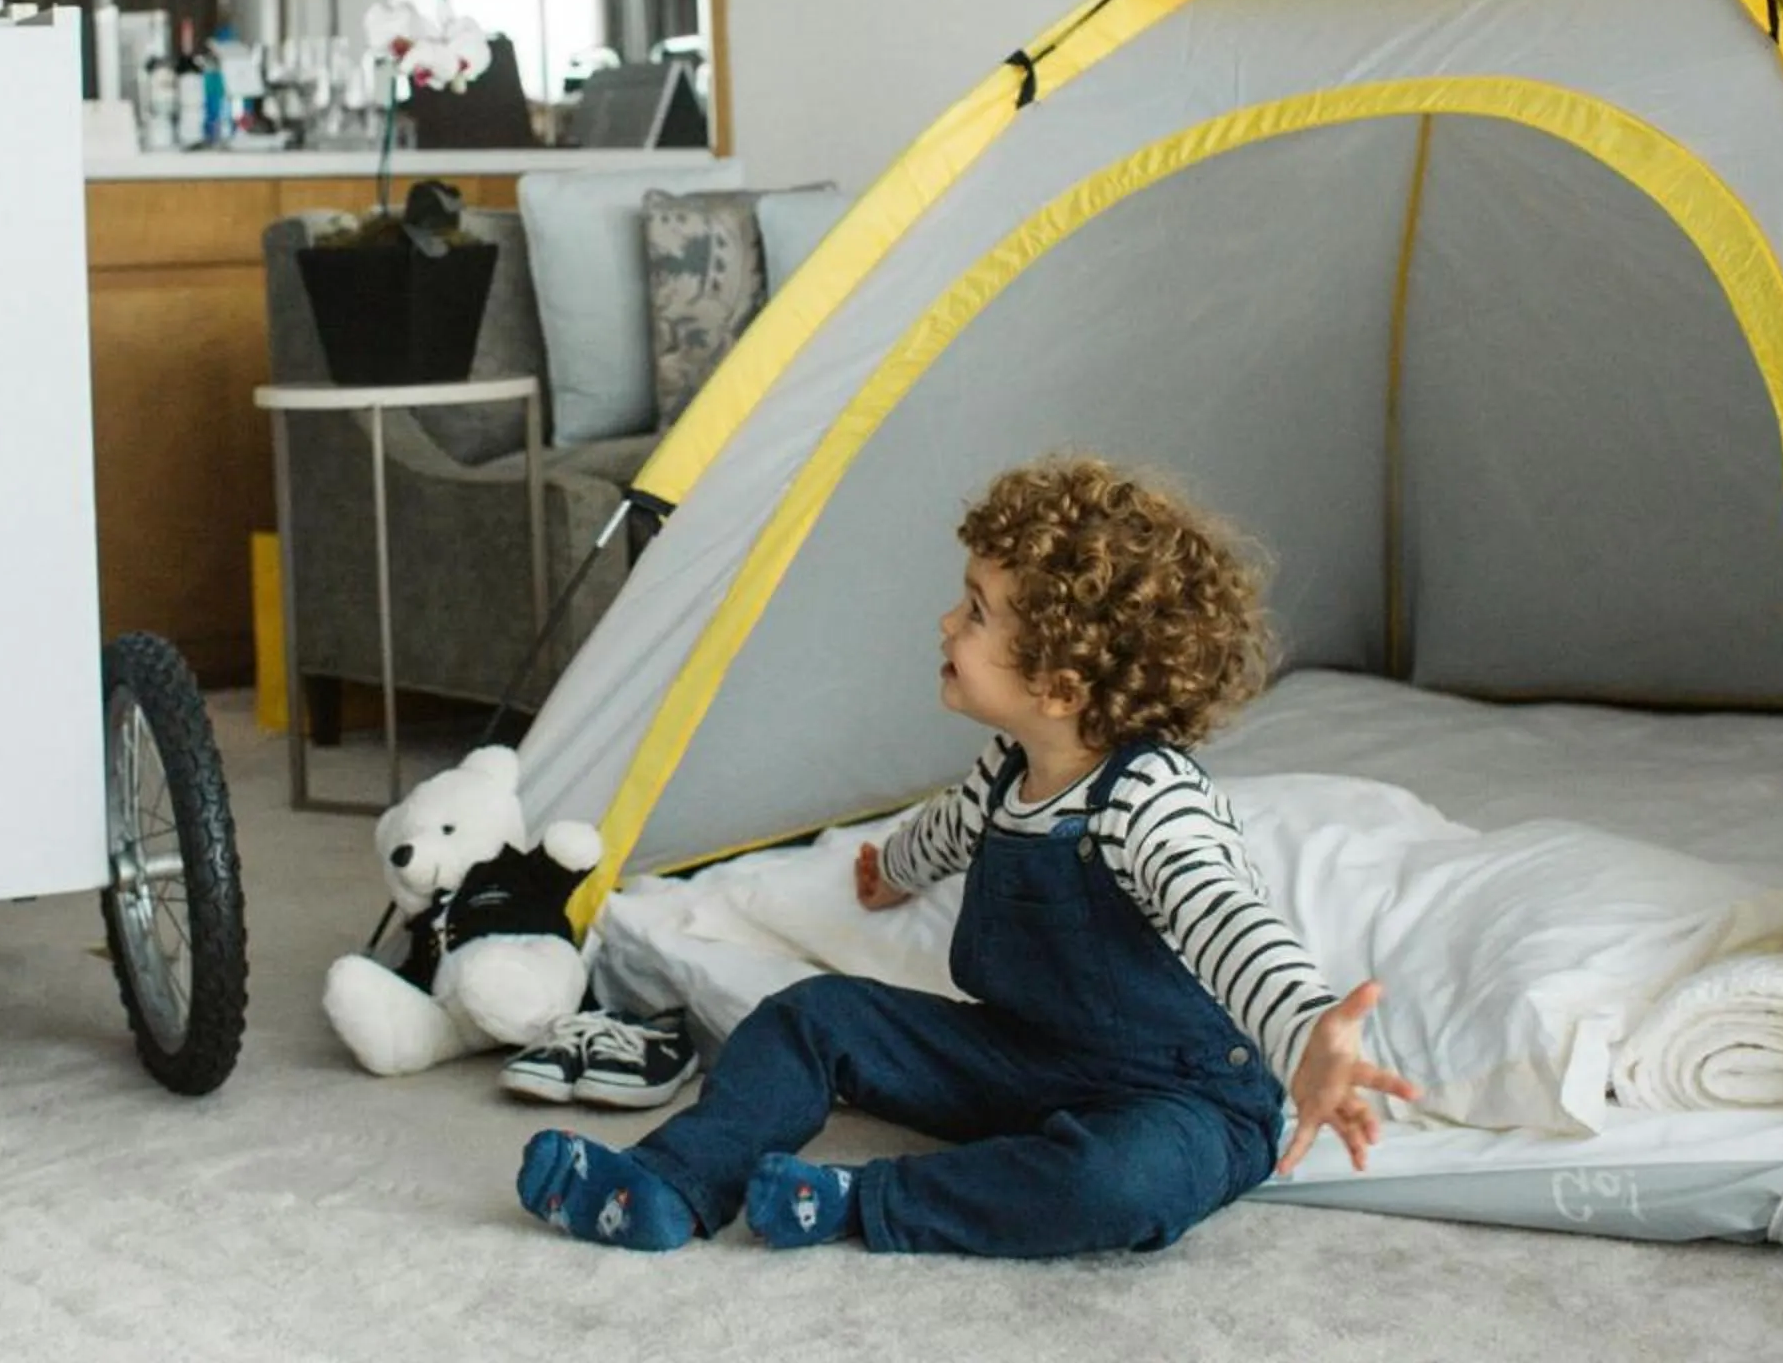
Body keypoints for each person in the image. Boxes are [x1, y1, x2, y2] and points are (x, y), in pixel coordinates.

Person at [516, 456, 1420, 1257]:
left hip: (1181, 1098)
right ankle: (675, 1181)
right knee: (812, 1016)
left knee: (1122, 1185)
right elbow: (950, 827)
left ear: (1061, 684)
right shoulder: (1006, 770)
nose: (949, 622)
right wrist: (893, 872)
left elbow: (1227, 920)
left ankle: (862, 1202)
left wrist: (1308, 1030)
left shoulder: (1152, 804)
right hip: (1022, 1055)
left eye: (977, 613)